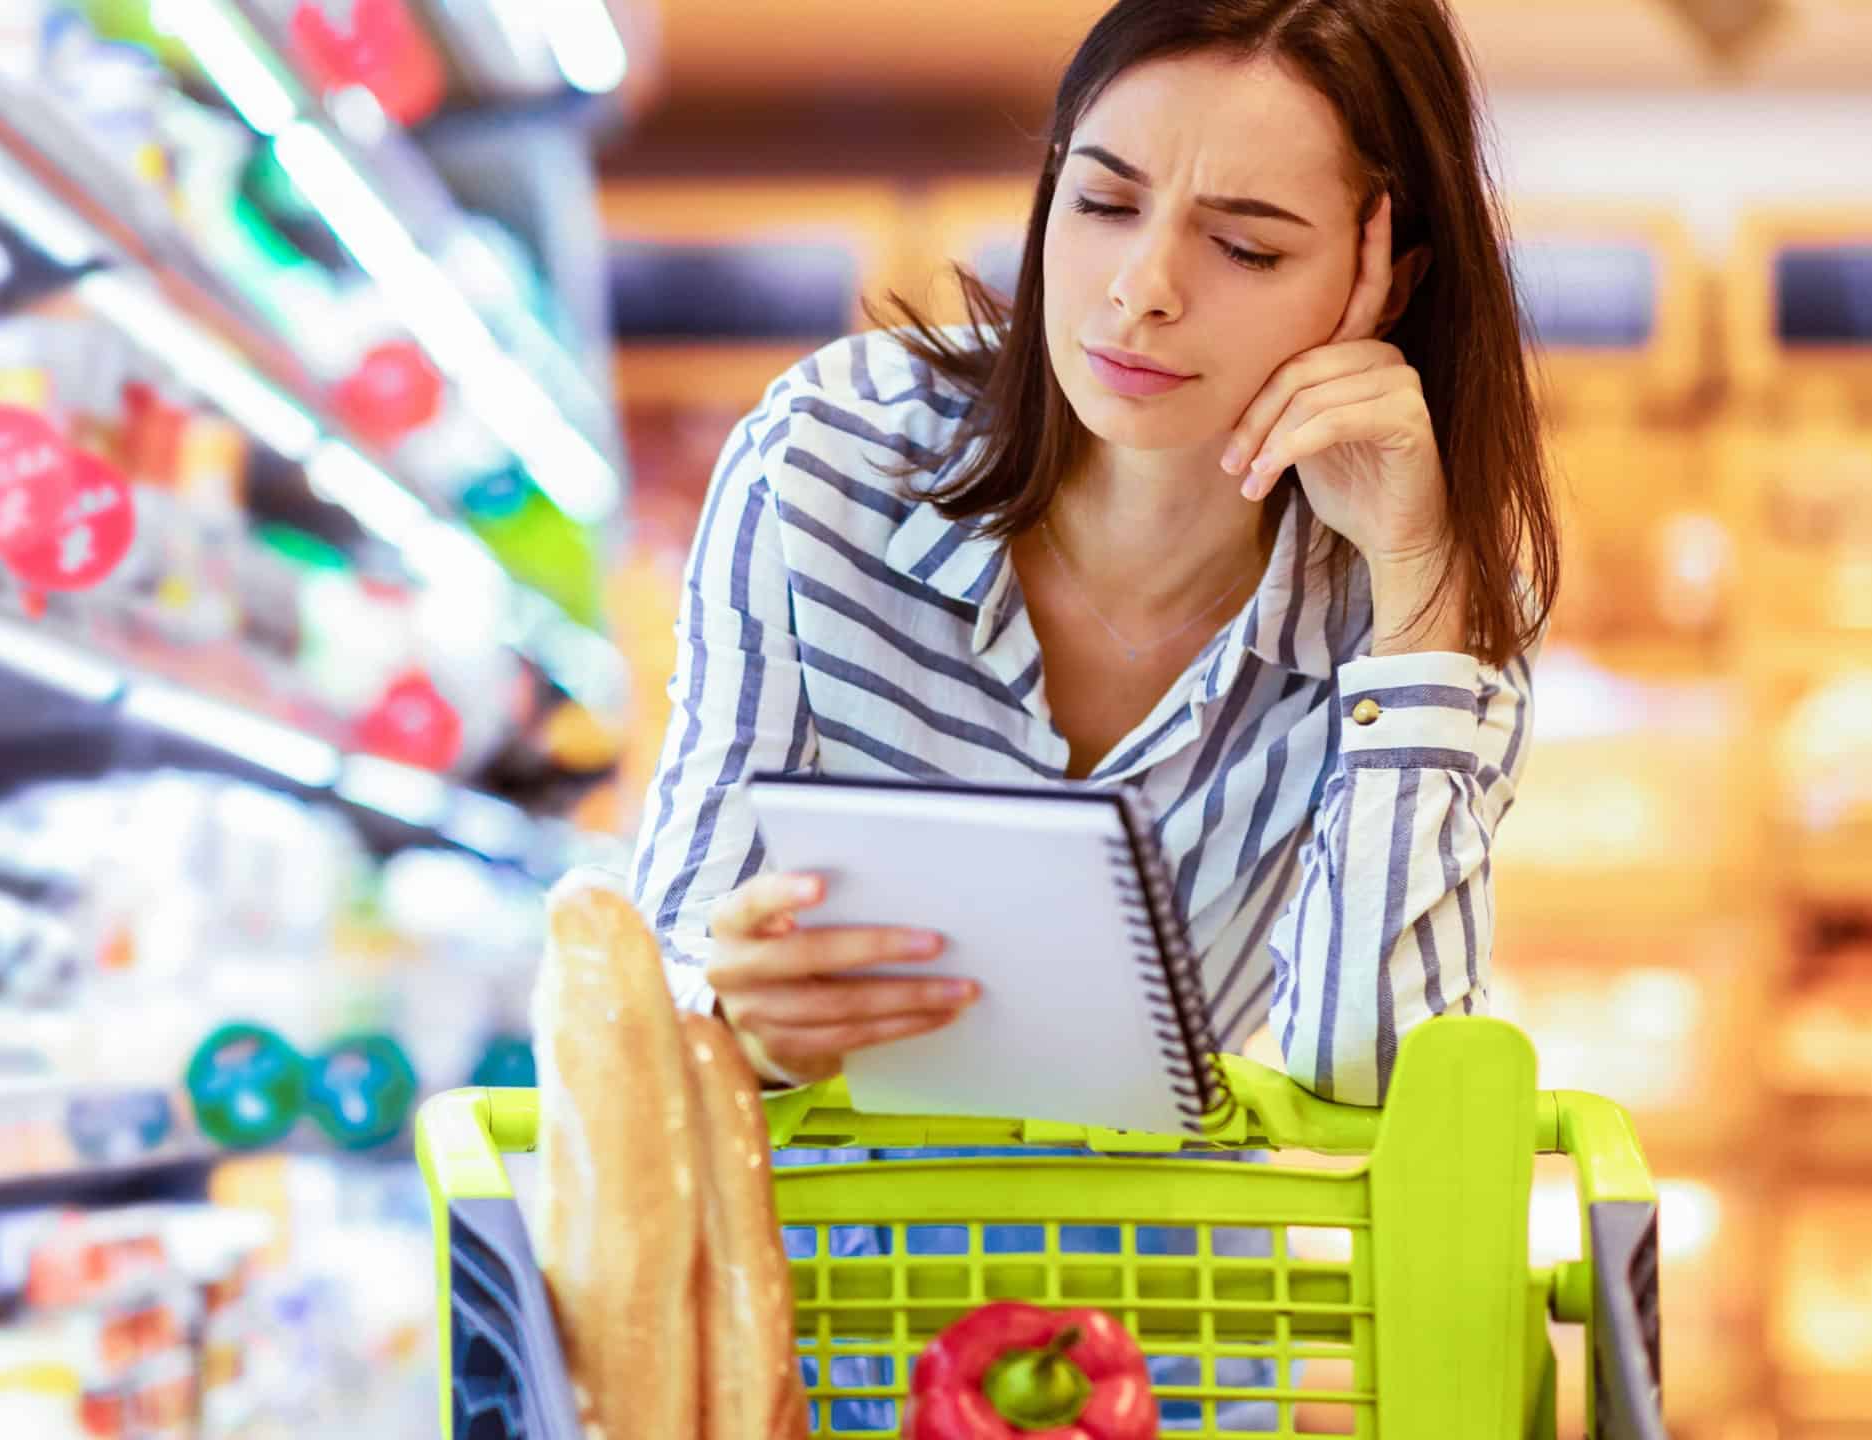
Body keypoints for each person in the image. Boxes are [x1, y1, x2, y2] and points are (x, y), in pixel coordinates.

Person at [630, 0, 1556, 1114]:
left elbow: (1375, 1087)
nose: (1141, 288)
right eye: (1105, 202)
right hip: (806, 1262)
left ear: (1385, 285)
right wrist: (749, 1027)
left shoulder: (1429, 603)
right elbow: (670, 971)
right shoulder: (829, 459)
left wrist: (1414, 592)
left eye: (1245, 246)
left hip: (1154, 1275)